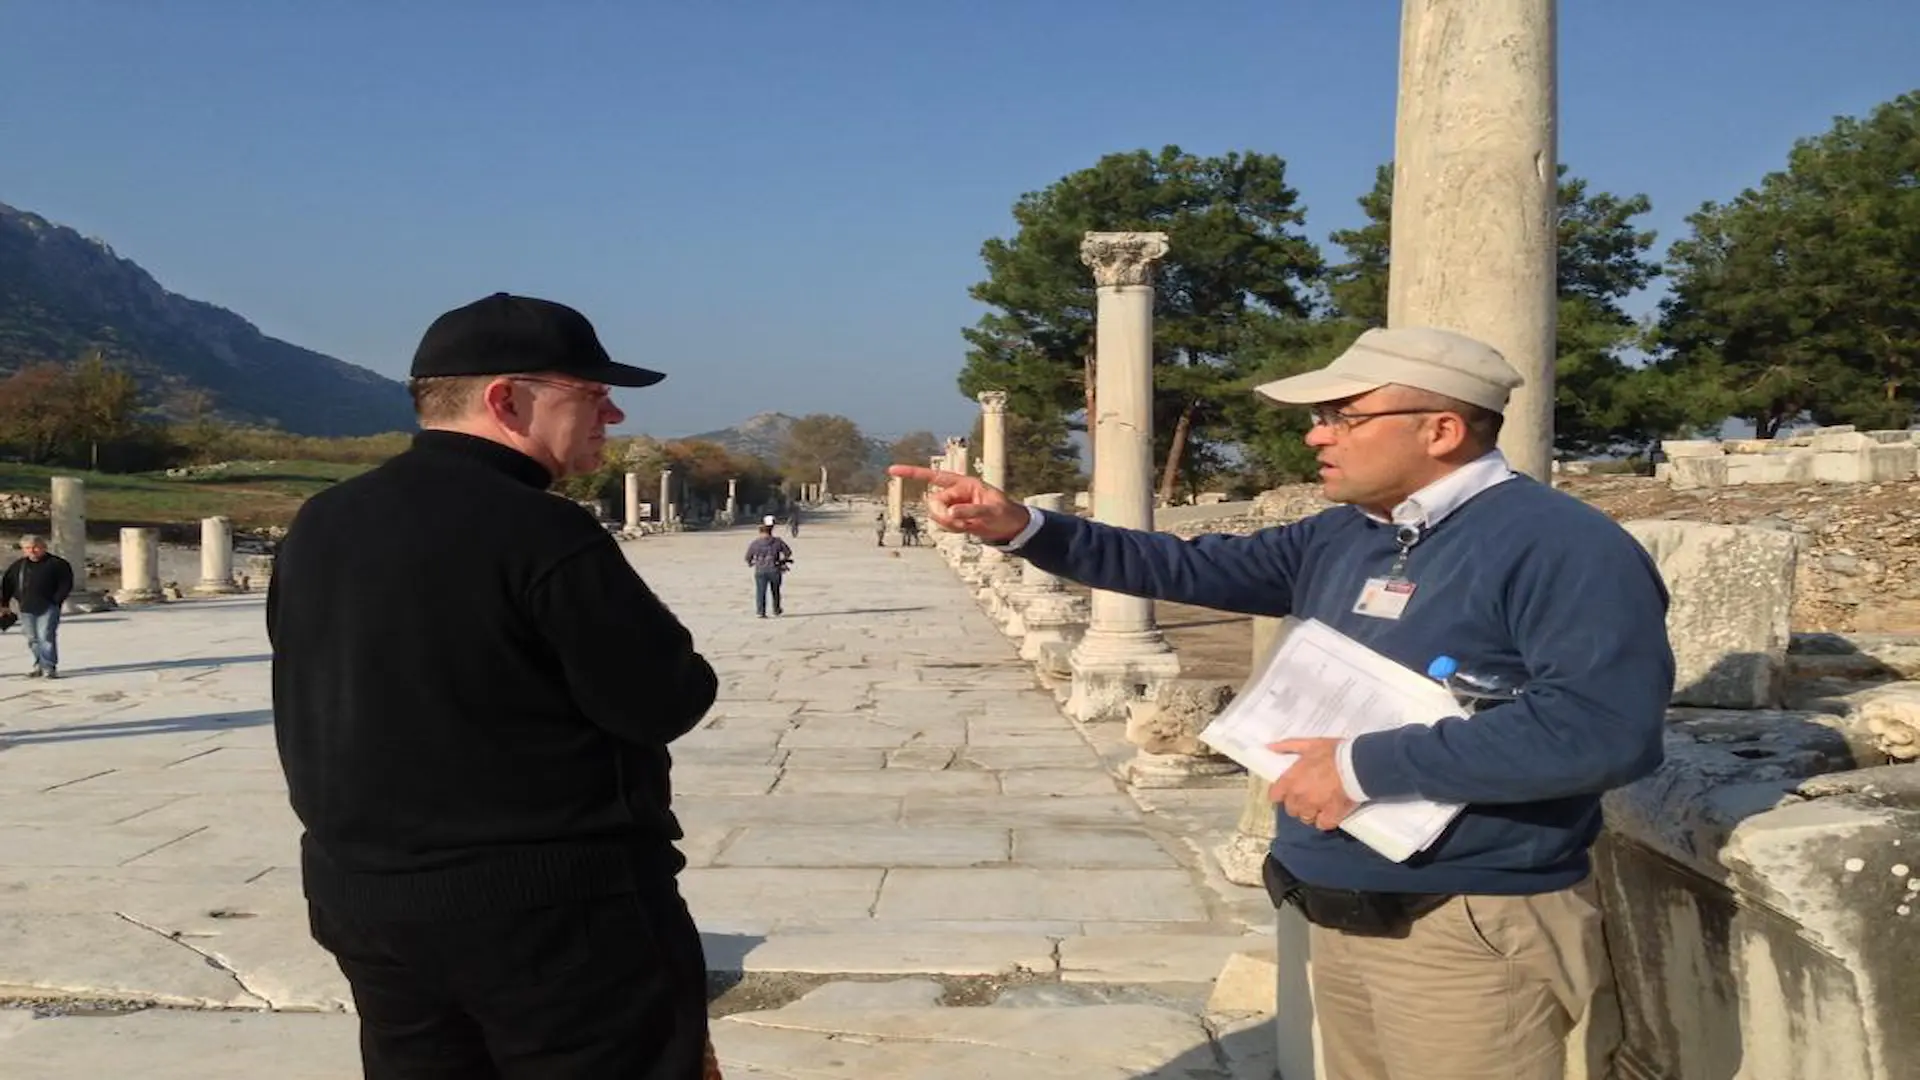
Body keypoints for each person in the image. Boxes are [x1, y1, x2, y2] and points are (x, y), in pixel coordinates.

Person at [890, 326, 1674, 1080]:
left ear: (1440, 430)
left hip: (1466, 923)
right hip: (1340, 904)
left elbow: (1602, 731)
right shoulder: (1348, 534)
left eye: (1344, 417)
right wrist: (1024, 527)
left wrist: (1365, 766)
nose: (1317, 437)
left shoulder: (1563, 547)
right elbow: (1186, 567)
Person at [267, 292, 721, 1080]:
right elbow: (661, 699)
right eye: (591, 394)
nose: (611, 415)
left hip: (364, 901)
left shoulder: (324, 520)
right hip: (552, 913)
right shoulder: (543, 532)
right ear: (506, 400)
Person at [1, 534, 74, 679]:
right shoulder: (18, 566)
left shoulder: (57, 564)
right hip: (26, 607)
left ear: (43, 548)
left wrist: (56, 600)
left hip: (48, 606)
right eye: (28, 548)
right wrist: (4, 604)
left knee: (46, 637)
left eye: (35, 547)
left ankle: (48, 667)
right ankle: (38, 665)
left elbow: (66, 583)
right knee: (32, 638)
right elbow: (7, 584)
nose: (32, 551)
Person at [745, 523, 792, 618]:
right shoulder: (777, 542)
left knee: (760, 591)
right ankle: (776, 609)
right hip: (774, 569)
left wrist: (751, 563)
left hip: (760, 570)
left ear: (760, 532)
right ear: (771, 531)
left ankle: (760, 611)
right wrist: (782, 561)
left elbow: (748, 557)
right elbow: (788, 552)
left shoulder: (755, 543)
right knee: (775, 591)